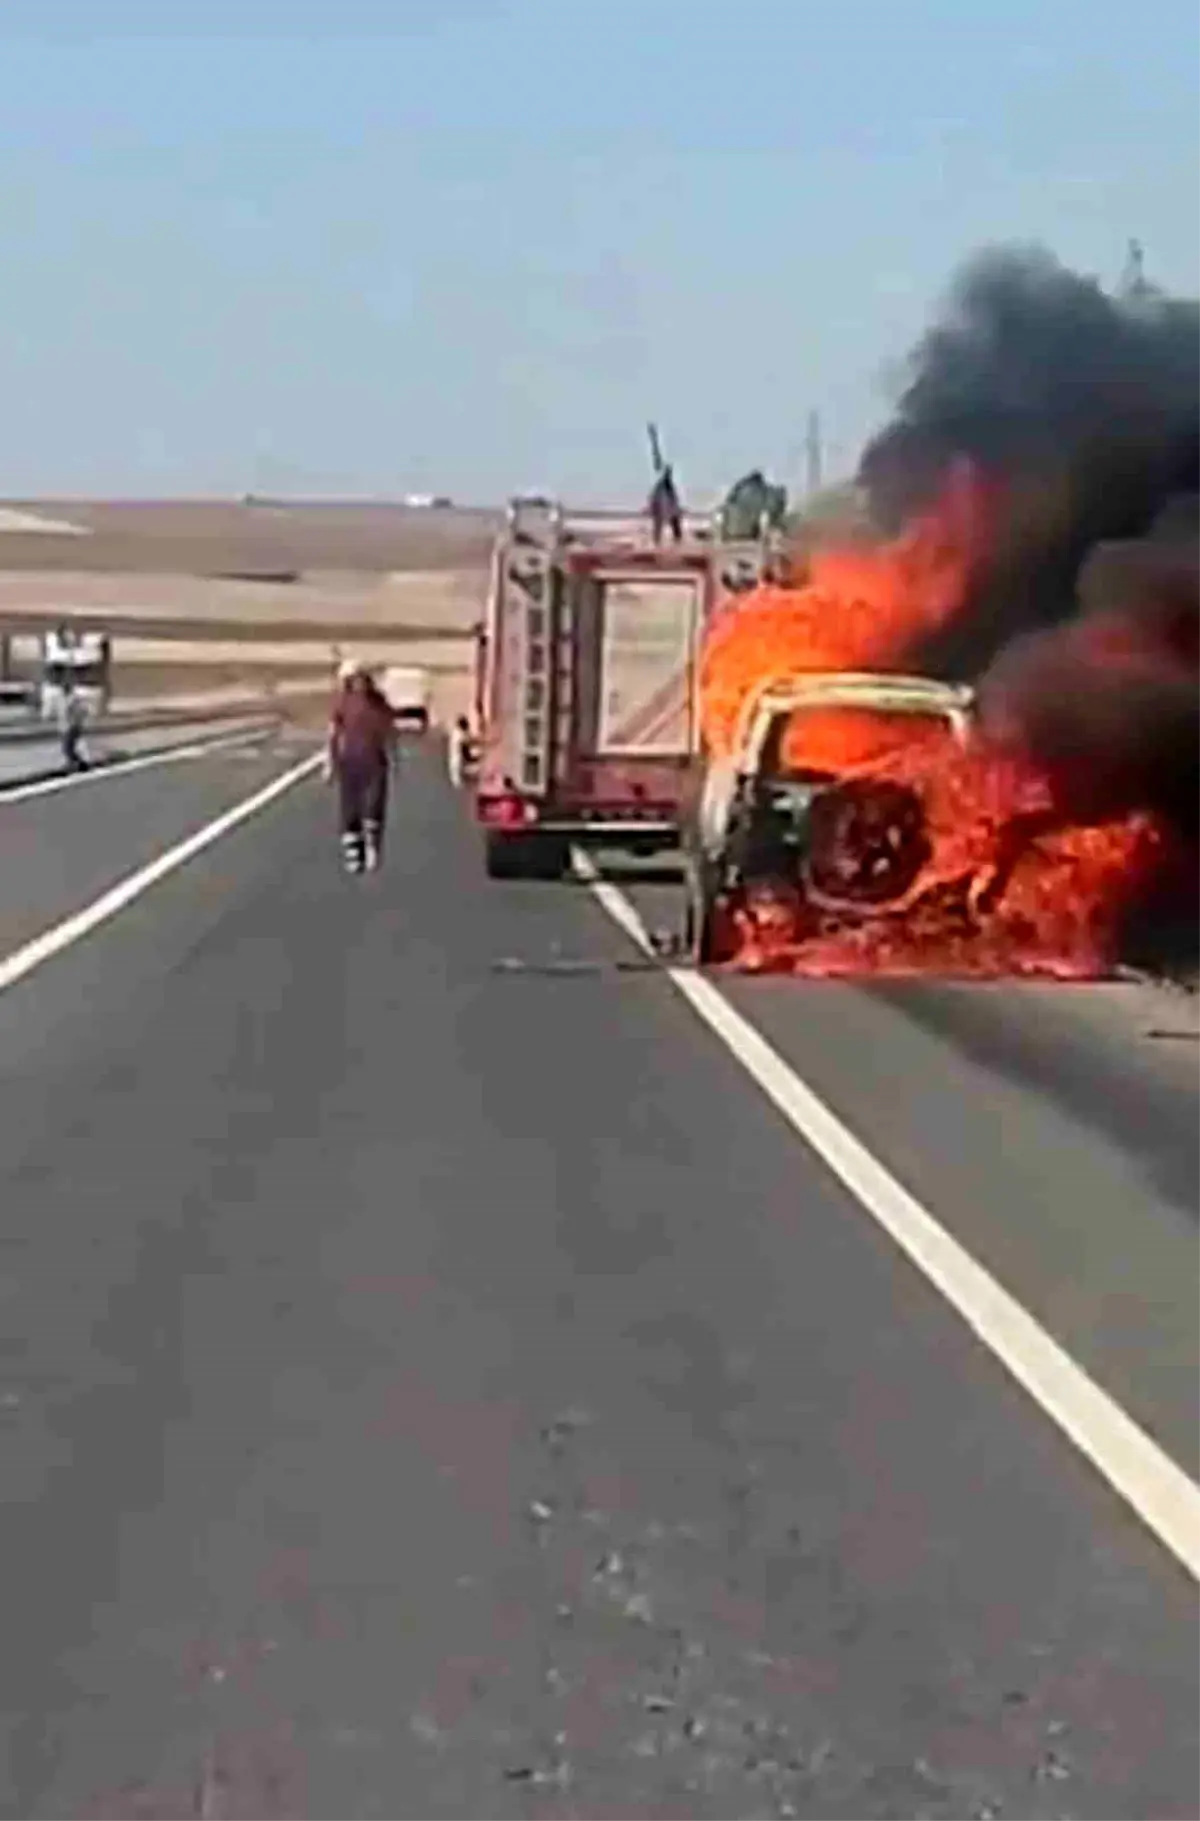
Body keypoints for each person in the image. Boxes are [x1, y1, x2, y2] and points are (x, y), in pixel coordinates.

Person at [324, 660, 397, 873]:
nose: (357, 683)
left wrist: (394, 756)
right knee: (350, 809)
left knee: (373, 808)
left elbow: (389, 730)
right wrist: (330, 762)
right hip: (350, 761)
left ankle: (372, 847)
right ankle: (354, 855)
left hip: (374, 760)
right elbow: (332, 733)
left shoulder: (378, 701)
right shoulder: (342, 703)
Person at [648, 464, 684, 545]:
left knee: (675, 526)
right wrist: (653, 508)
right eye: (668, 473)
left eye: (670, 473)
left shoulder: (670, 485)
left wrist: (677, 509)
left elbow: (674, 498)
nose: (669, 474)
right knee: (658, 528)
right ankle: (656, 543)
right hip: (661, 509)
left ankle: (677, 542)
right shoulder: (660, 485)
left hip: (671, 509)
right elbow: (654, 497)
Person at [58, 681, 89, 772]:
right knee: (68, 747)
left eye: (64, 689)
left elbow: (83, 711)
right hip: (69, 726)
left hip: (72, 726)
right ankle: (78, 763)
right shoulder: (67, 699)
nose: (62, 691)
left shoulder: (74, 699)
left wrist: (76, 722)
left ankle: (79, 763)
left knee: (67, 747)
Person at [447, 714, 474, 788]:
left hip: (456, 763)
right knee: (460, 785)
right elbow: (470, 742)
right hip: (457, 764)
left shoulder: (456, 732)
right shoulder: (460, 735)